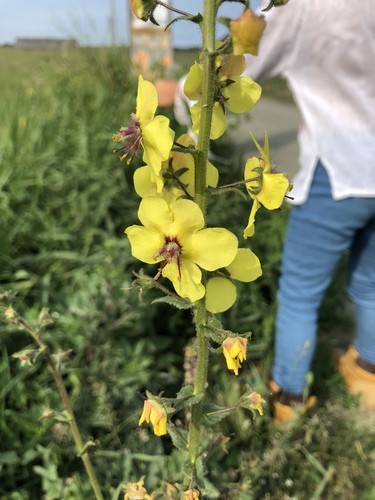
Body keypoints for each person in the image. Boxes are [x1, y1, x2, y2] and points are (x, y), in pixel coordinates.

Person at [241, 0, 375, 418]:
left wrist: (184, 112)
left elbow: (232, 73)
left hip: (336, 171)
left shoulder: (295, 6)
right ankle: (366, 379)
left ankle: (289, 401)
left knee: (299, 294)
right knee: (371, 285)